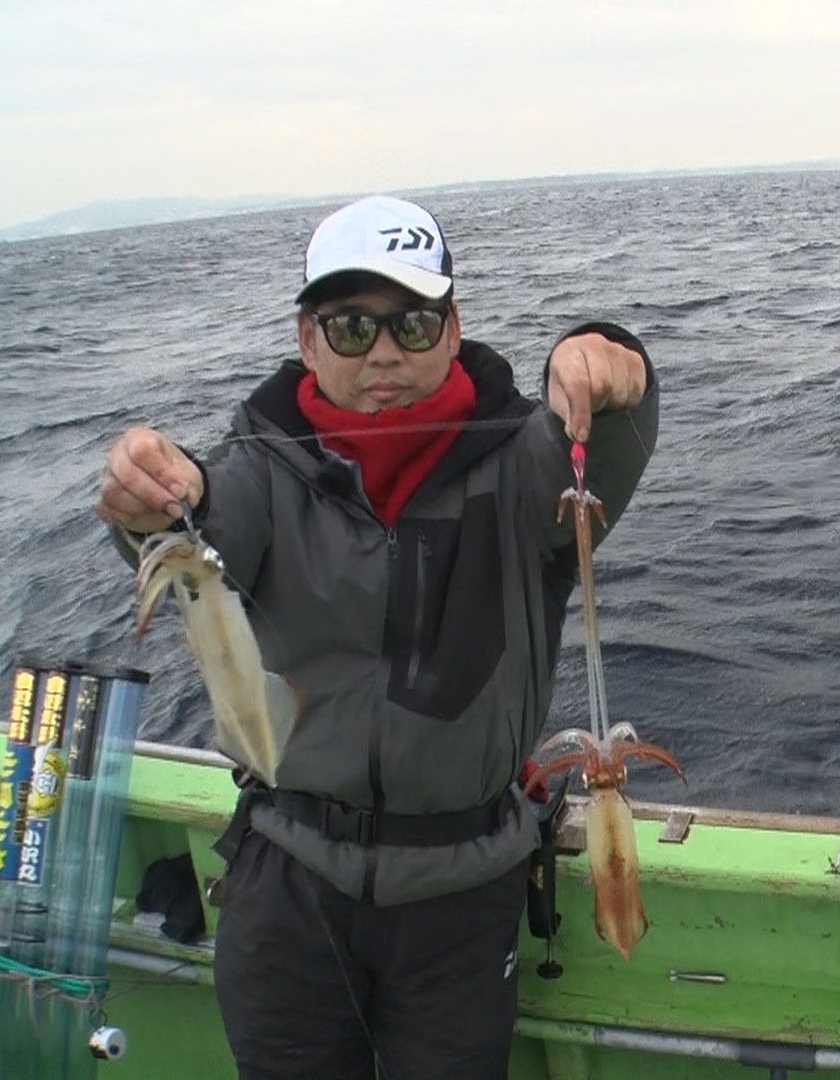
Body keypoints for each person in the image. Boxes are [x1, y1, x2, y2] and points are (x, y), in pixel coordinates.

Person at [94, 194, 659, 1079]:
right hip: (286, 879)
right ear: (308, 339)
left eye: (413, 323)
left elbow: (598, 447)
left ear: (454, 325)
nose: (386, 352)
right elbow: (204, 518)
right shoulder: (262, 463)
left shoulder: (523, 467)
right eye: (352, 327)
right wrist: (155, 501)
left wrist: (609, 366)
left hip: (462, 893)